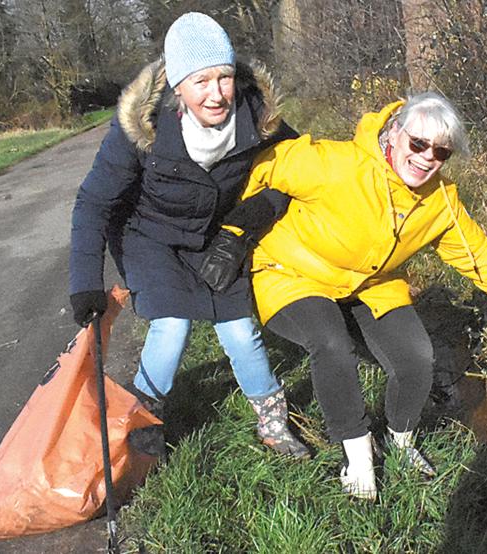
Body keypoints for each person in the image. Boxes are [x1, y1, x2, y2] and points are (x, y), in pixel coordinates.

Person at [210, 92, 487, 499]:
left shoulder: (440, 202)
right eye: (418, 143)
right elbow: (268, 166)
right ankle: (357, 456)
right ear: (394, 133)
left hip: (372, 283)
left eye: (440, 151)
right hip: (294, 271)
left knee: (416, 357)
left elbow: (479, 256)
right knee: (332, 344)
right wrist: (237, 229)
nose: (427, 158)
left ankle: (401, 441)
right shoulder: (335, 164)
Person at [68, 12, 308, 458]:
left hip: (217, 236)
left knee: (239, 329)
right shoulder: (141, 128)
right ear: (177, 86)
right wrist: (84, 282)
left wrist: (250, 220)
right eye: (201, 81)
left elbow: (301, 173)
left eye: (225, 78)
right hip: (149, 236)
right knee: (172, 324)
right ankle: (141, 425)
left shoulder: (261, 119)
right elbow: (93, 203)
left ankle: (273, 423)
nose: (216, 93)